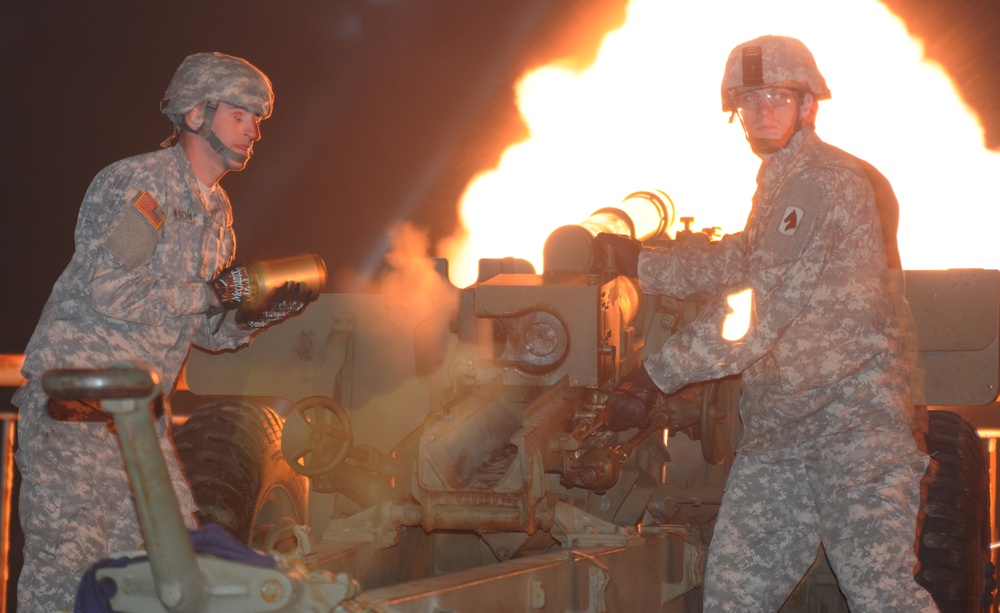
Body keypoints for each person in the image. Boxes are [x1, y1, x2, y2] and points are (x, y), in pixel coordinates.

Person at [599, 36, 936, 610]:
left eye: (778, 97)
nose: (763, 113)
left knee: (883, 600)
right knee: (733, 599)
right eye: (750, 101)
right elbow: (742, 258)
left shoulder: (824, 180)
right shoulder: (779, 180)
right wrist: (642, 265)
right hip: (780, 438)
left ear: (809, 106)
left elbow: (758, 308)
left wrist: (653, 375)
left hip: (852, 435)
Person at [12, 52, 313, 611]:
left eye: (258, 120)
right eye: (240, 114)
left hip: (139, 422)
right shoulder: (141, 184)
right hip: (78, 411)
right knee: (66, 575)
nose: (253, 130)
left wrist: (257, 313)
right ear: (196, 115)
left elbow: (206, 331)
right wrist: (210, 295)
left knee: (167, 573)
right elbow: (110, 288)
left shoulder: (216, 209)